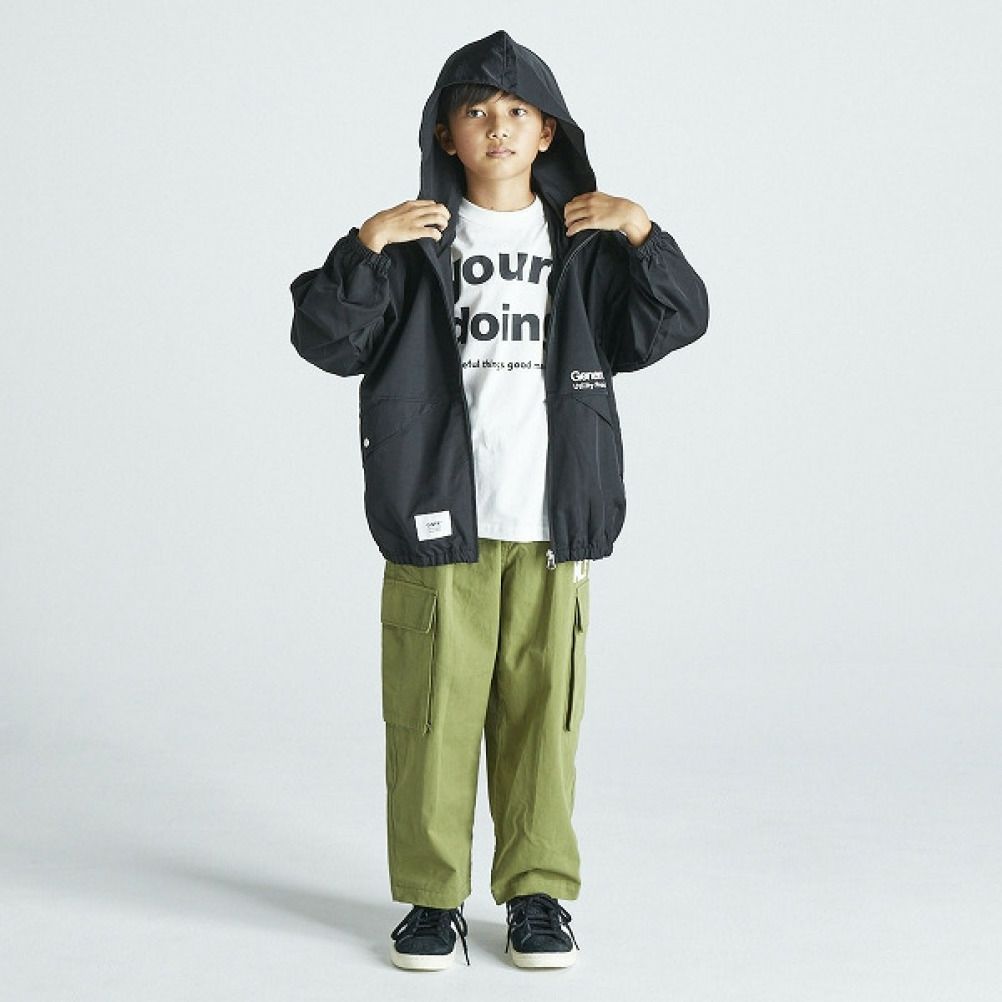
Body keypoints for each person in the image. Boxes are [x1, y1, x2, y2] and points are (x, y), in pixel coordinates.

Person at [289, 28, 709, 972]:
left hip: (553, 521)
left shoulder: (585, 247)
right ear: (445, 133)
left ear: (548, 132)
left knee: (543, 718)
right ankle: (432, 901)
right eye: (476, 111)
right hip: (440, 520)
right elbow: (324, 340)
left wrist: (643, 232)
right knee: (430, 717)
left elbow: (676, 319)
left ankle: (537, 896)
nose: (498, 126)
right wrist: (365, 245)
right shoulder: (412, 245)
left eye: (518, 111)